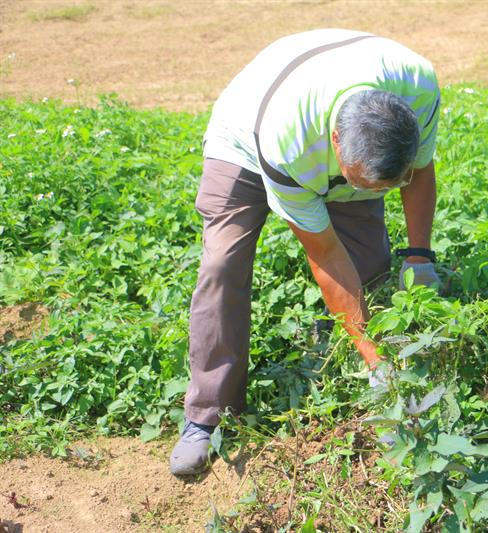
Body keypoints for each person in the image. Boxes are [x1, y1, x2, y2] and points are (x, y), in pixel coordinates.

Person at [169, 29, 442, 475]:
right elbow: (326, 254)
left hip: (328, 125)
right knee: (223, 264)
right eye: (363, 183)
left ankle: (341, 362)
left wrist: (419, 255)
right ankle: (206, 415)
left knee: (371, 264)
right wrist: (378, 361)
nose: (376, 194)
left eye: (385, 186)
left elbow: (421, 172)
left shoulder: (419, 87)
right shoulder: (289, 142)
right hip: (245, 139)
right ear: (335, 142)